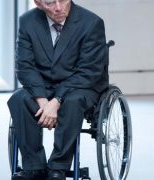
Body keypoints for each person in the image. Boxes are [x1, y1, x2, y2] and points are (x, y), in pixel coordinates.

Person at [7, 0, 109, 179]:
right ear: (38, 3)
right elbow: (25, 66)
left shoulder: (91, 23)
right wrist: (42, 100)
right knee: (19, 99)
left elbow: (88, 71)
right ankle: (34, 167)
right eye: (50, 2)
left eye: (62, 0)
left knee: (72, 102)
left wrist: (56, 101)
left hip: (81, 85)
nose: (58, 7)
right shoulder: (27, 21)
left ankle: (58, 168)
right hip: (43, 86)